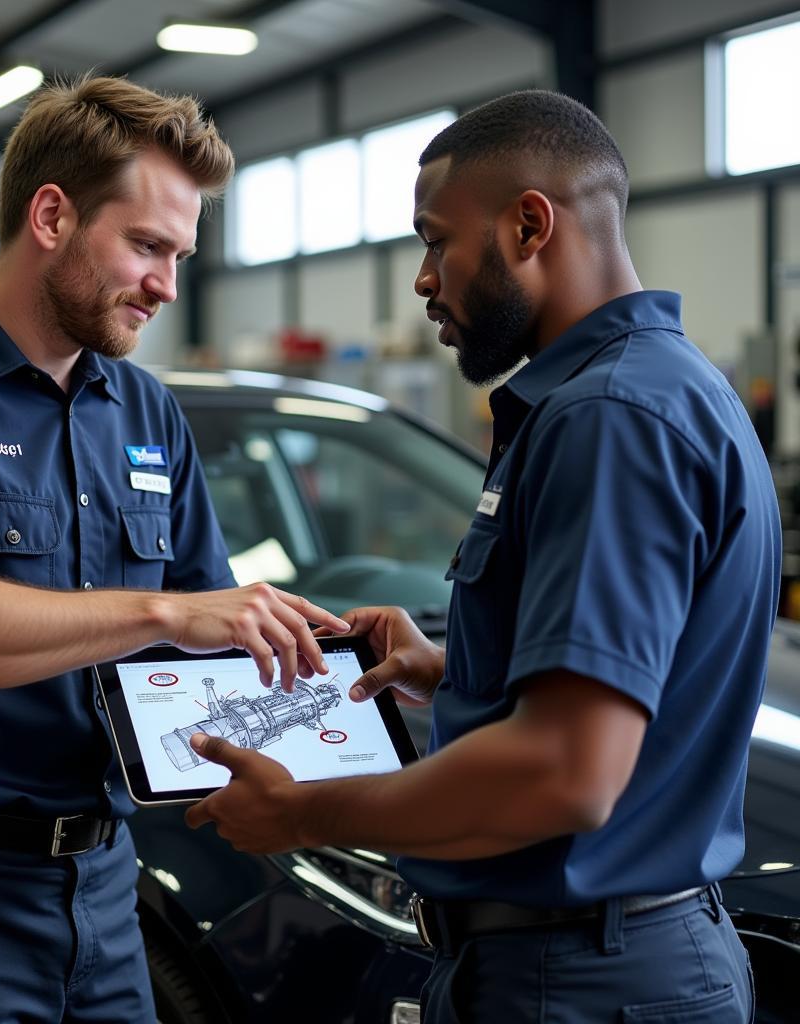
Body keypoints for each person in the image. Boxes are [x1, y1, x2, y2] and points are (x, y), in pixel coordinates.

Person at [184, 90, 782, 1022]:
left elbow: (564, 773)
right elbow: (647, 670)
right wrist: (456, 669)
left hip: (578, 980)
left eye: (434, 240)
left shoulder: (606, 420)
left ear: (529, 224)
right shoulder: (668, 387)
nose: (424, 279)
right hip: (608, 960)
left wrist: (304, 814)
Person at [0, 75, 348, 1024]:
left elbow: (205, 650)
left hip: (102, 890)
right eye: (146, 246)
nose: (167, 284)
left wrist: (349, 693)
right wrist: (164, 610)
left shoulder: (146, 412)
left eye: (180, 253)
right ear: (51, 214)